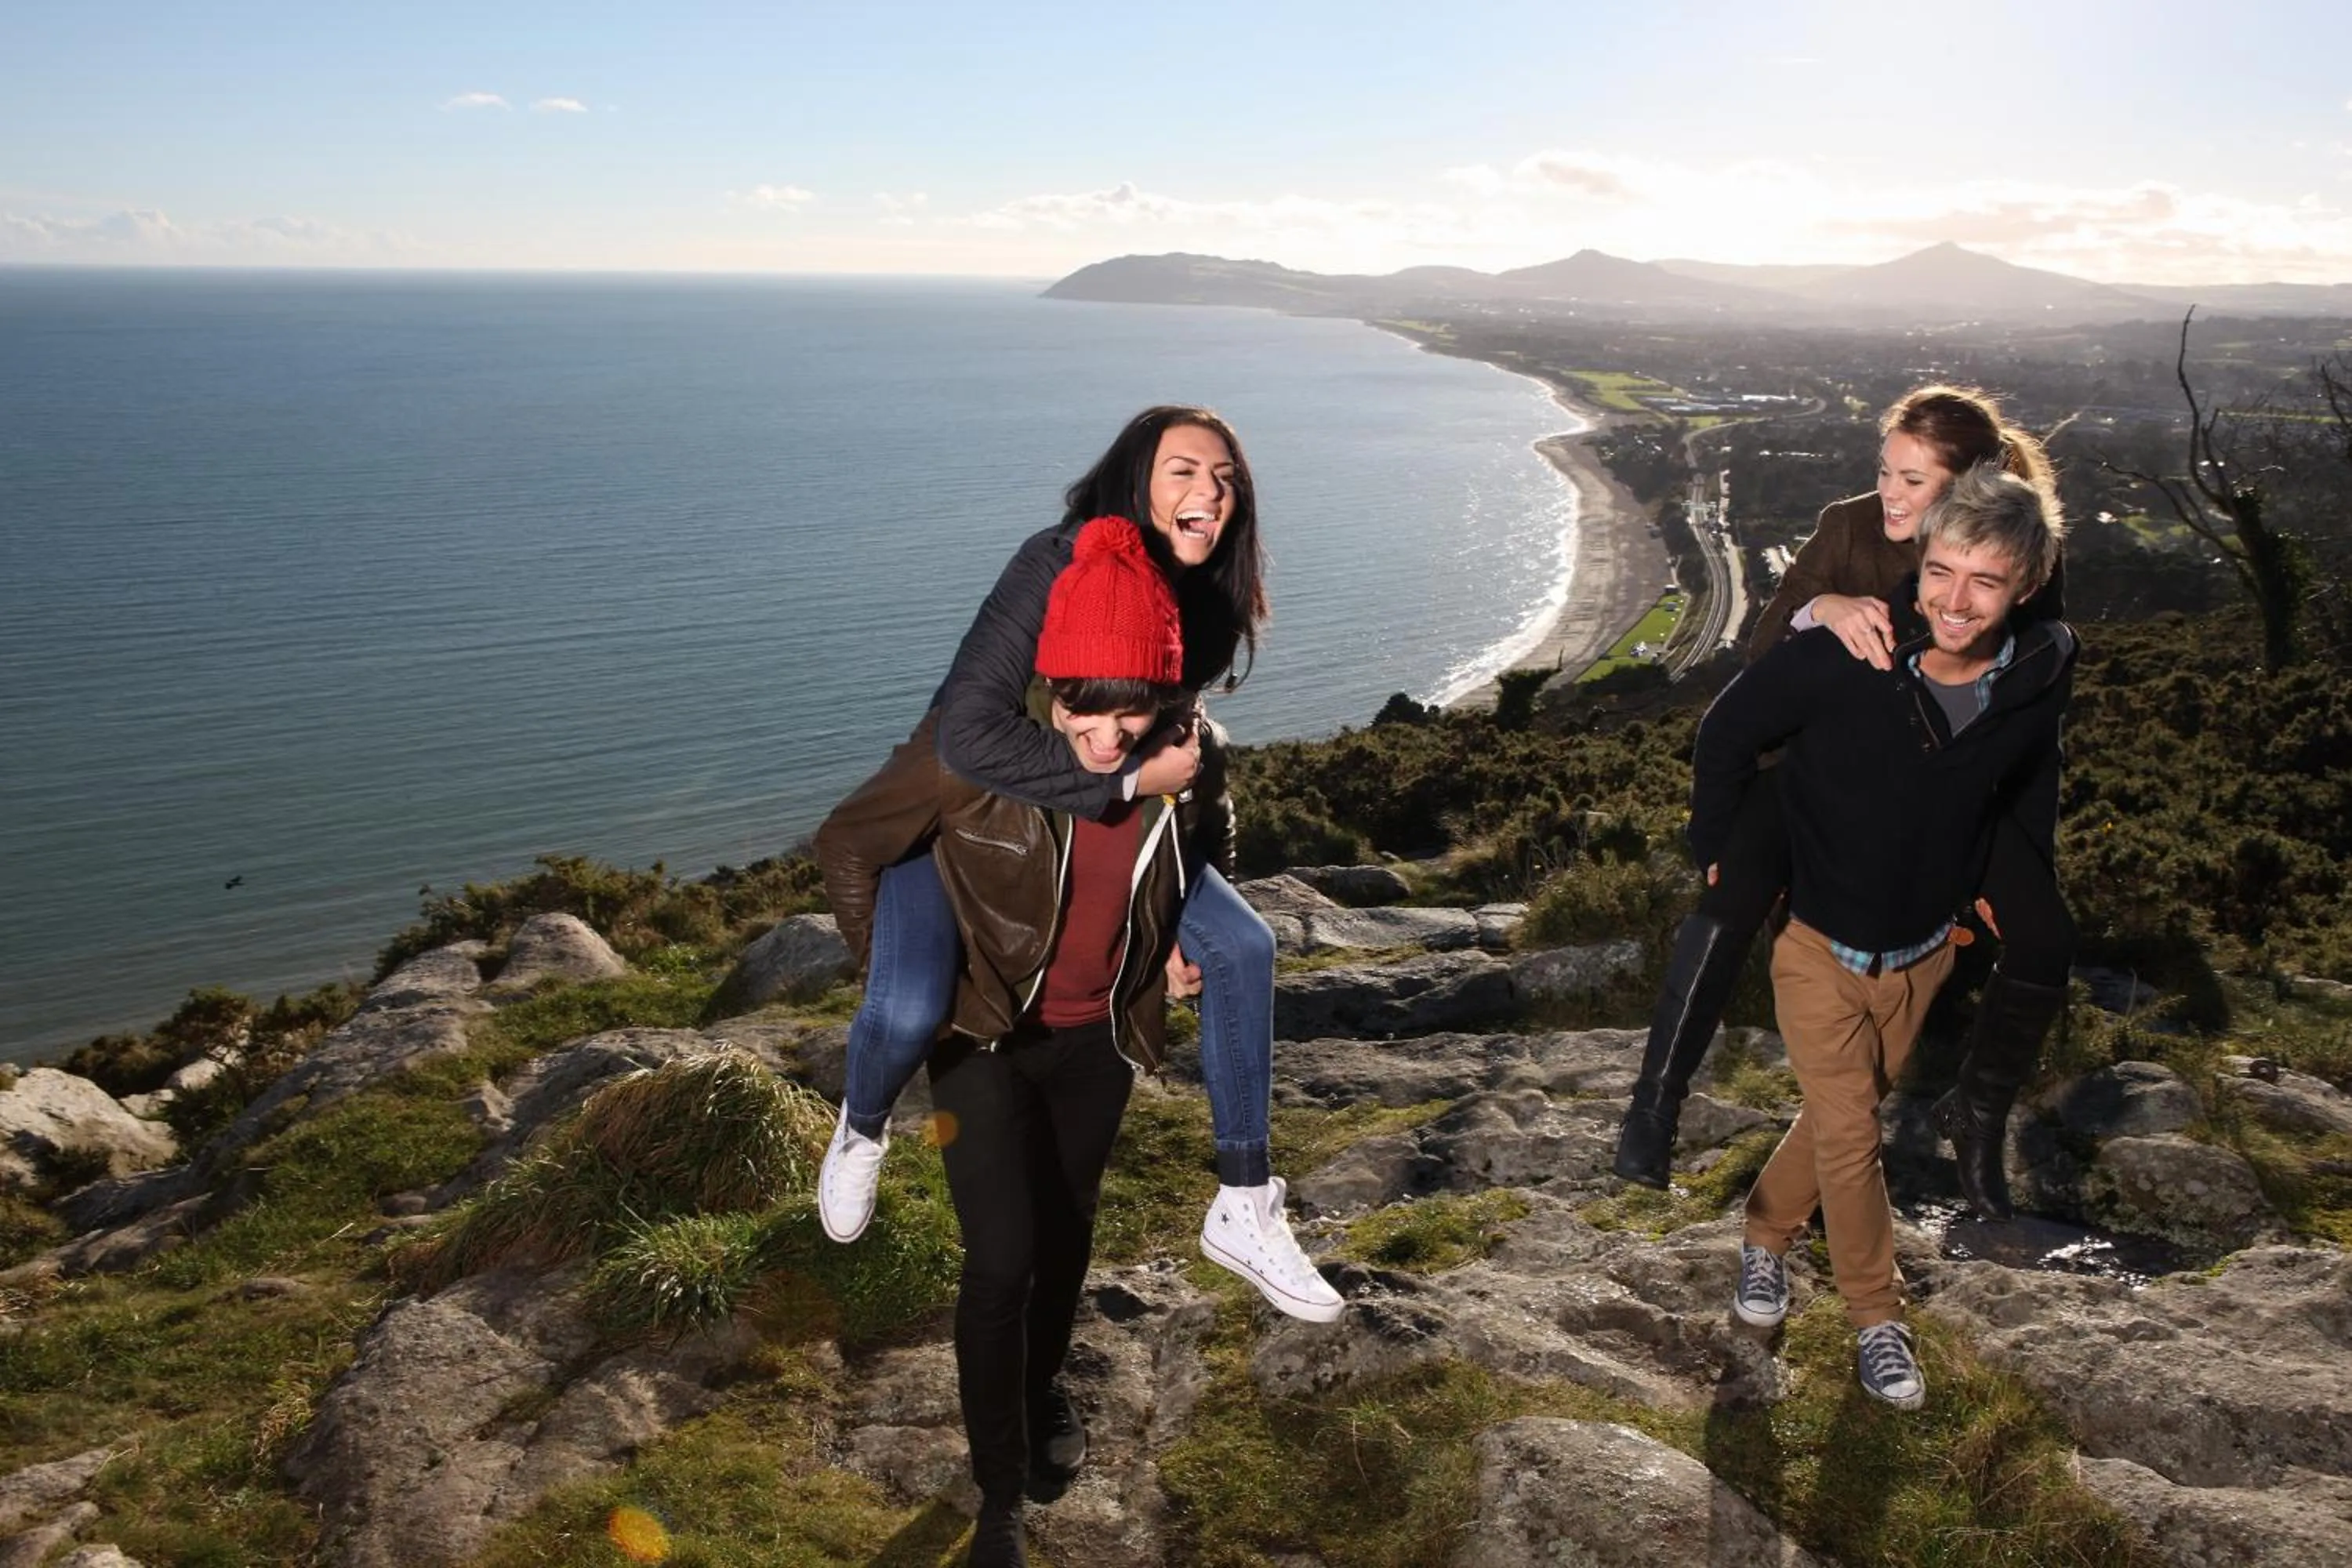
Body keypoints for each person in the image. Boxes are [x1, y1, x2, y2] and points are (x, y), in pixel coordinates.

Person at [815, 405, 1341, 1323]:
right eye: (1184, 470)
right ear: (1137, 479)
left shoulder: (1200, 593)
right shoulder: (1055, 560)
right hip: (957, 806)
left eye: (1226, 479)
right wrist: (1128, 775)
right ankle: (861, 1127)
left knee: (1245, 947)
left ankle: (1244, 1199)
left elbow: (1185, 761)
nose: (1210, 492)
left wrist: (1173, 912)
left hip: (1093, 818)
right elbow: (973, 735)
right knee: (904, 1006)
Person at [815, 517, 1261, 1566]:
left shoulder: (1188, 751)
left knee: (1065, 1237)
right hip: (980, 1041)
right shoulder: (970, 750)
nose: (1103, 737)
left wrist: (1178, 939)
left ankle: (1041, 1383)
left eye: (1128, 712)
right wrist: (900, 976)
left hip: (1098, 1040)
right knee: (1000, 1262)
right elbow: (847, 842)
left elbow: (1211, 844)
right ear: (1049, 684)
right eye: (1079, 709)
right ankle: (999, 1495)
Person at [1613, 384, 2074, 1218]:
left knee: (2044, 932)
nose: (1890, 494)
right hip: (1814, 769)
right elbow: (1759, 660)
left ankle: (1975, 1115)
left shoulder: (2017, 547)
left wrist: (2019, 858)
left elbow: (2032, 717)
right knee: (1731, 890)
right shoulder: (1849, 527)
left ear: (1974, 487)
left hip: (1949, 781)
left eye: (1913, 481)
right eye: (1885, 472)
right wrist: (1819, 608)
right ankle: (1654, 1108)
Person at [1690, 462, 2076, 1407]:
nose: (1955, 600)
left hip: (1924, 955)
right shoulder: (1847, 652)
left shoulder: (2038, 669)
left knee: (1839, 1116)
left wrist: (2005, 883)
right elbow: (1725, 734)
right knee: (1855, 1135)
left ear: (2027, 584)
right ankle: (1876, 1316)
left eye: (1985, 581)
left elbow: (2028, 777)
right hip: (1816, 947)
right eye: (1940, 570)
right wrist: (1723, 856)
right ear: (1919, 559)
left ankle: (1764, 1233)